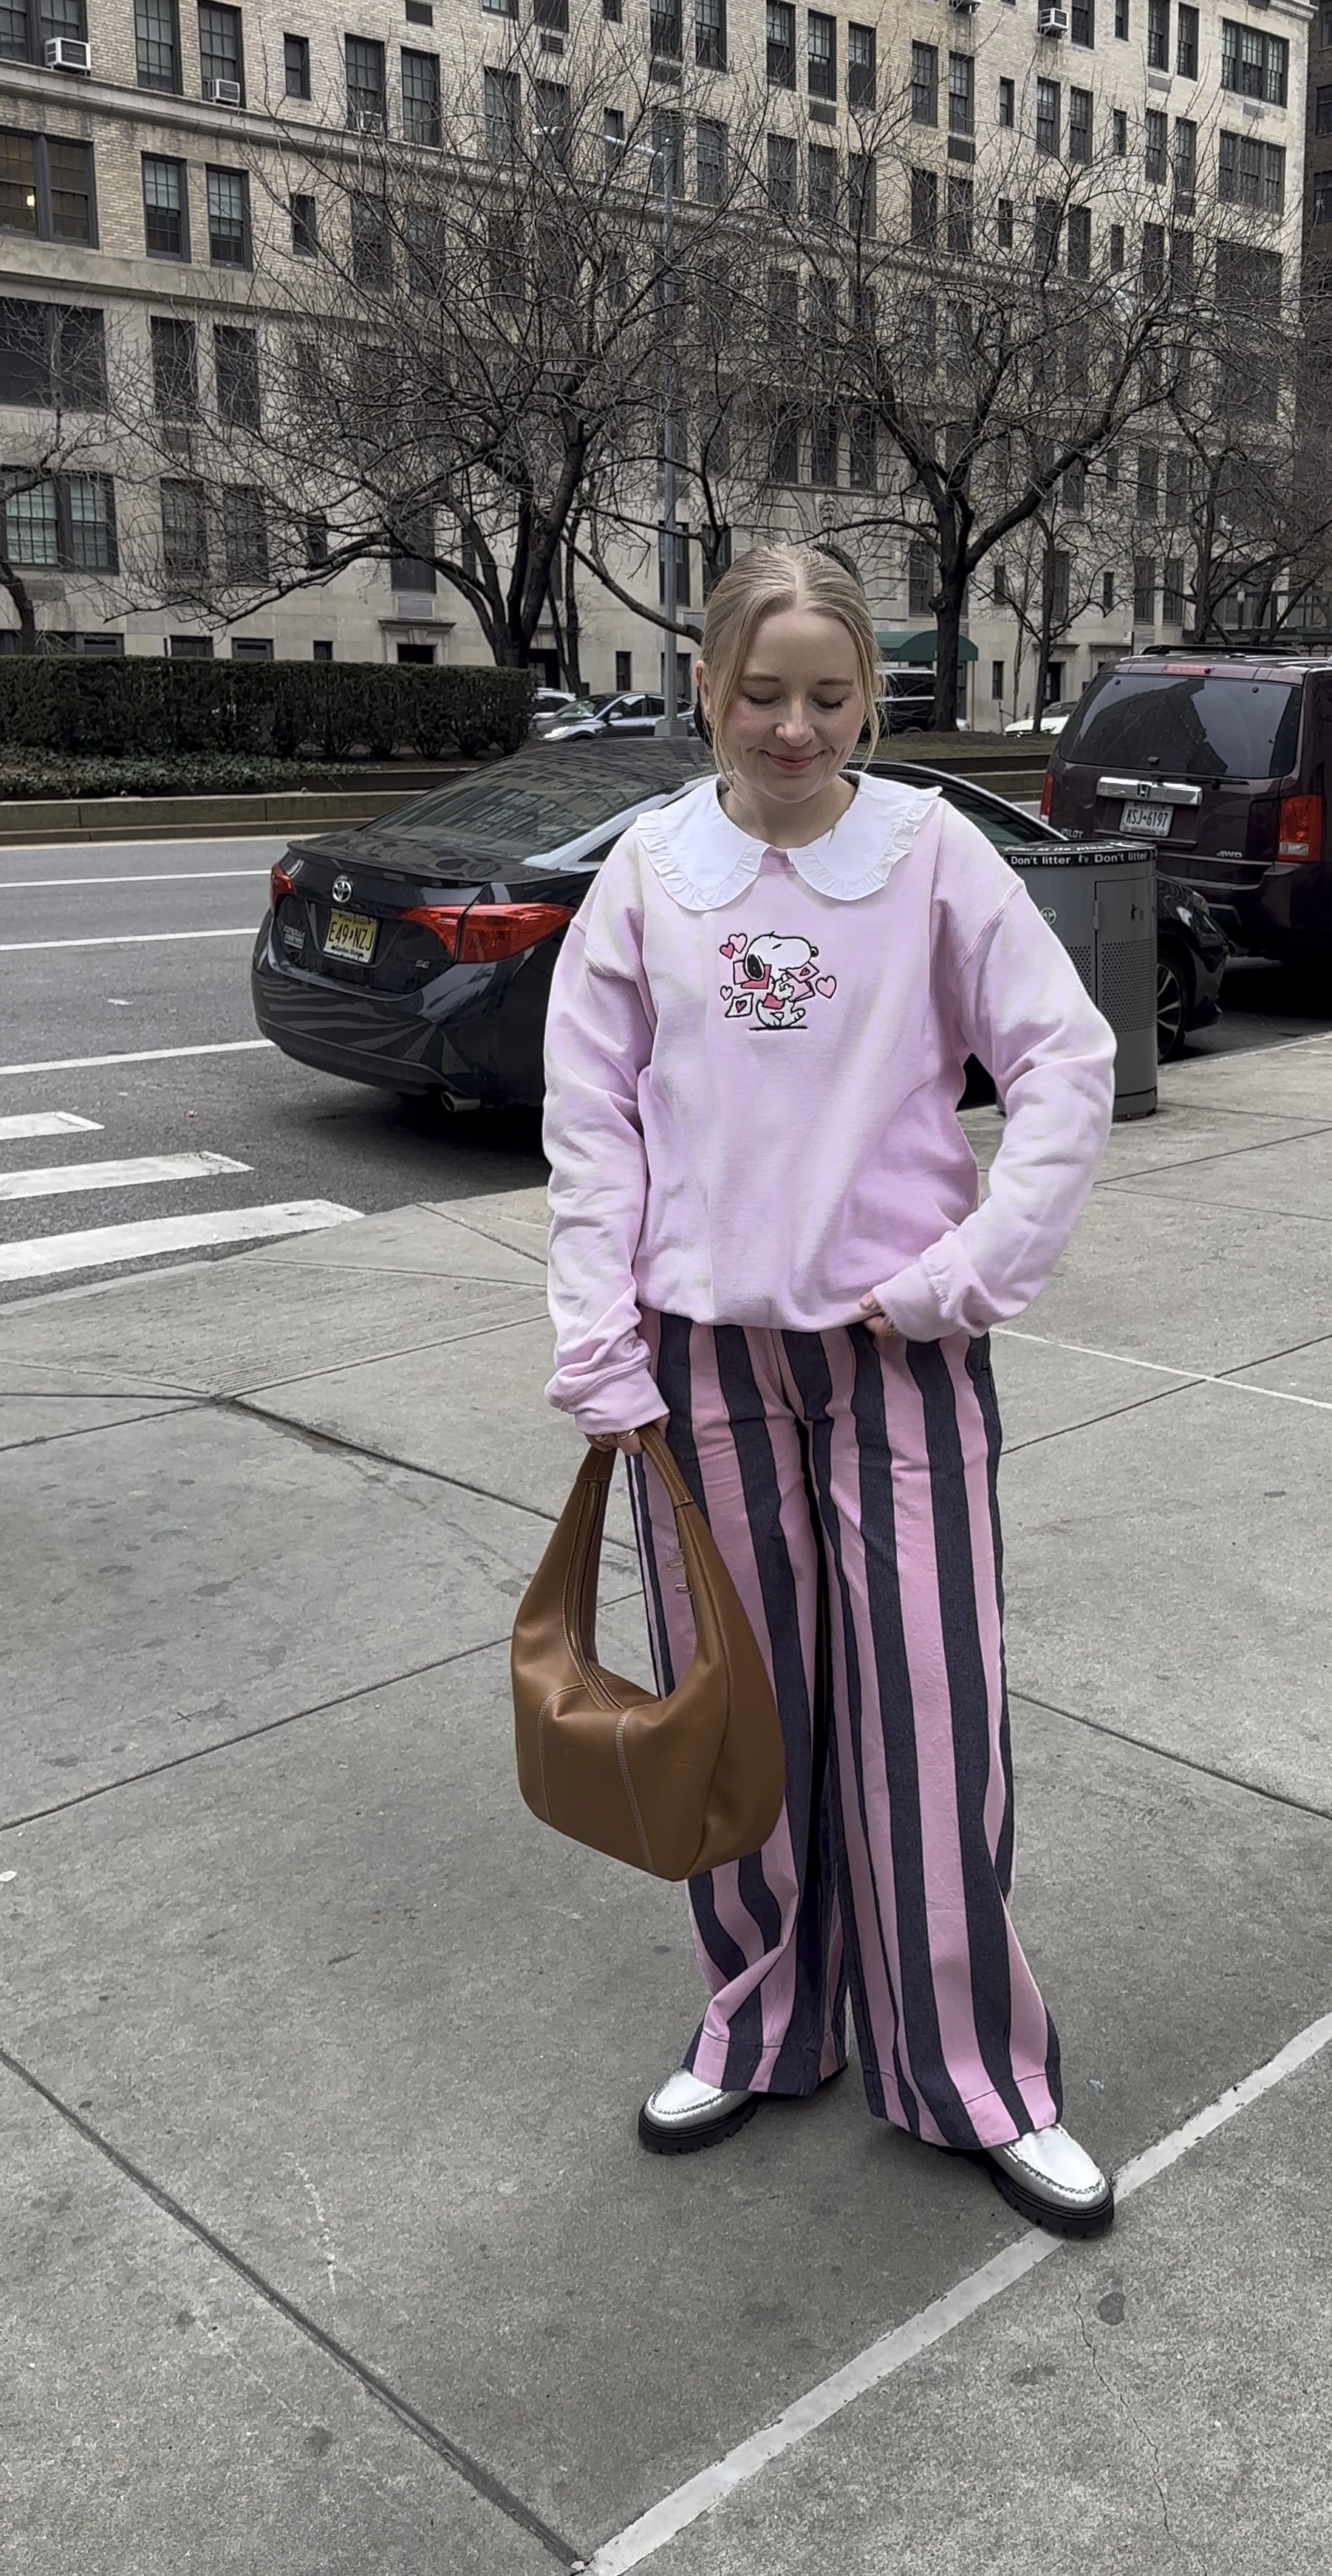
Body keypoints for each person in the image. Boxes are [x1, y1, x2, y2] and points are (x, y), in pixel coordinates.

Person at [540, 543, 1118, 2237]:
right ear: (707, 690)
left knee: (937, 1712)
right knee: (744, 1711)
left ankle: (972, 2073)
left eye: (831, 694)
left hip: (902, 1354)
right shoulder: (649, 874)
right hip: (704, 1355)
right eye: (762, 691)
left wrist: (969, 1271)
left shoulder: (934, 855)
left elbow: (1065, 1063)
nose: (795, 727)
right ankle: (766, 2016)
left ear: (872, 697)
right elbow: (593, 1122)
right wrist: (598, 1341)